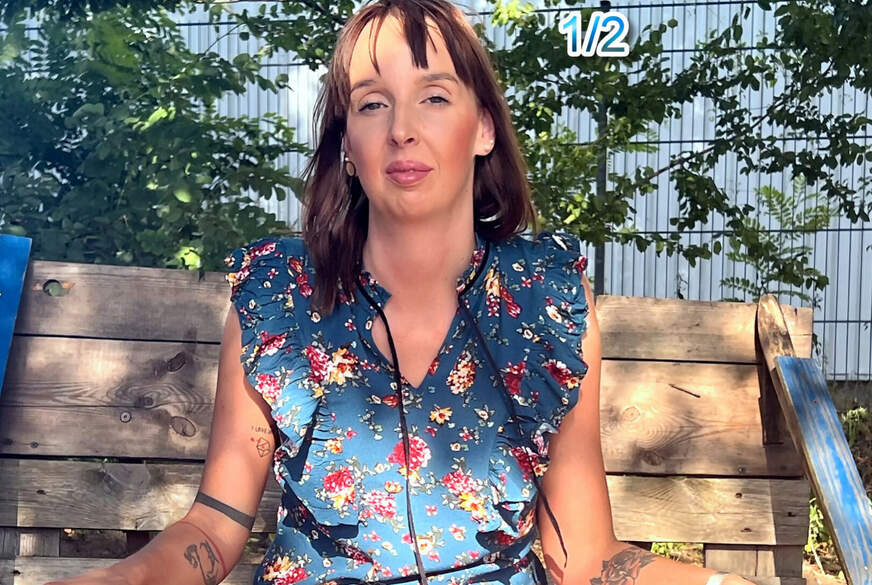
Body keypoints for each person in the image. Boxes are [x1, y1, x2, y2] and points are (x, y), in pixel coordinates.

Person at [44, 1, 757, 584]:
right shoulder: (278, 300)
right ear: (348, 147)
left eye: (434, 97)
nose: (403, 131)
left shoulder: (546, 304)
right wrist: (125, 578)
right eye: (373, 104)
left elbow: (586, 556)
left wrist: (718, 582)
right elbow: (214, 527)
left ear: (483, 128)